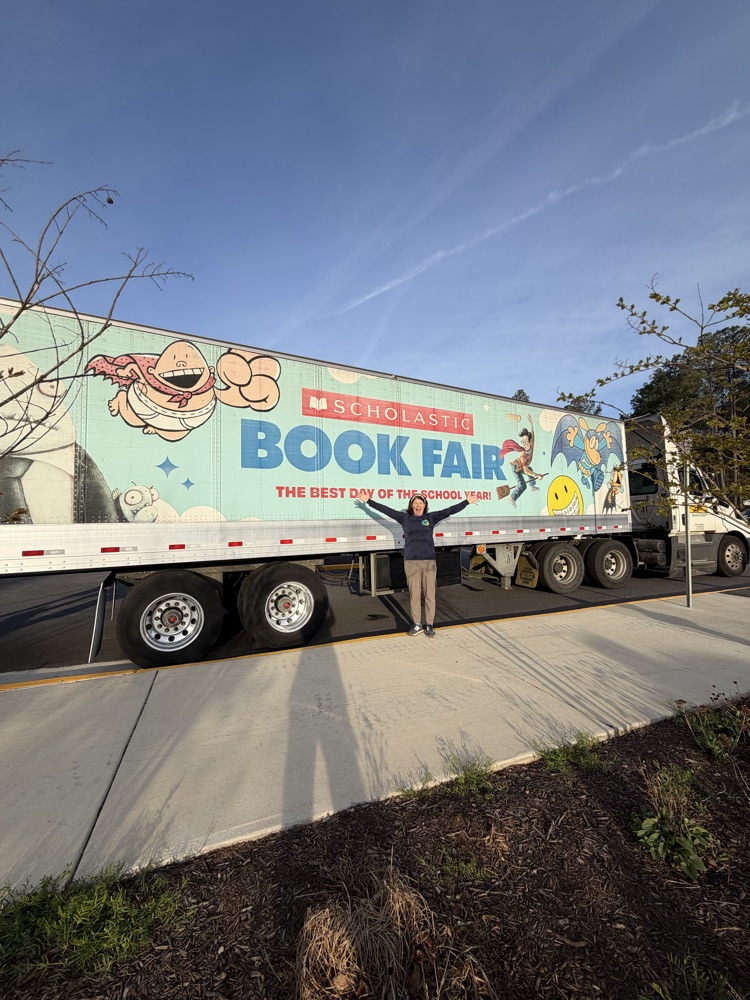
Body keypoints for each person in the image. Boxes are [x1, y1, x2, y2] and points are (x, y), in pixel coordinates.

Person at [356, 490, 479, 637]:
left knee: (429, 595)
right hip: (411, 562)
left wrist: (466, 502)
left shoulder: (430, 518)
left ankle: (430, 625)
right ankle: (417, 624)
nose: (418, 505)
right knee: (414, 595)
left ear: (425, 505)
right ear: (411, 505)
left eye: (421, 502)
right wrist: (368, 501)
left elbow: (449, 511)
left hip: (429, 562)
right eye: (415, 502)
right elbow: (386, 511)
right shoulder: (404, 518)